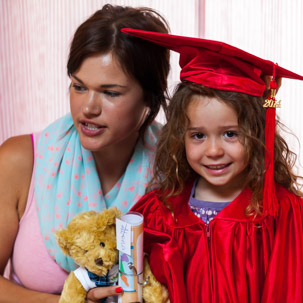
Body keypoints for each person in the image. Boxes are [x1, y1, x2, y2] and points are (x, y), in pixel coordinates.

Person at [0, 5, 170, 303]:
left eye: (110, 92)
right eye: (79, 86)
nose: (87, 108)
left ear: (149, 96)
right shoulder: (20, 160)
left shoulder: (176, 167)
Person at [123, 29, 303, 302]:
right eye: (198, 135)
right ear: (178, 138)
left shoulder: (281, 213)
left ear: (257, 132)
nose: (214, 151)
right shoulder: (160, 212)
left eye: (230, 134)